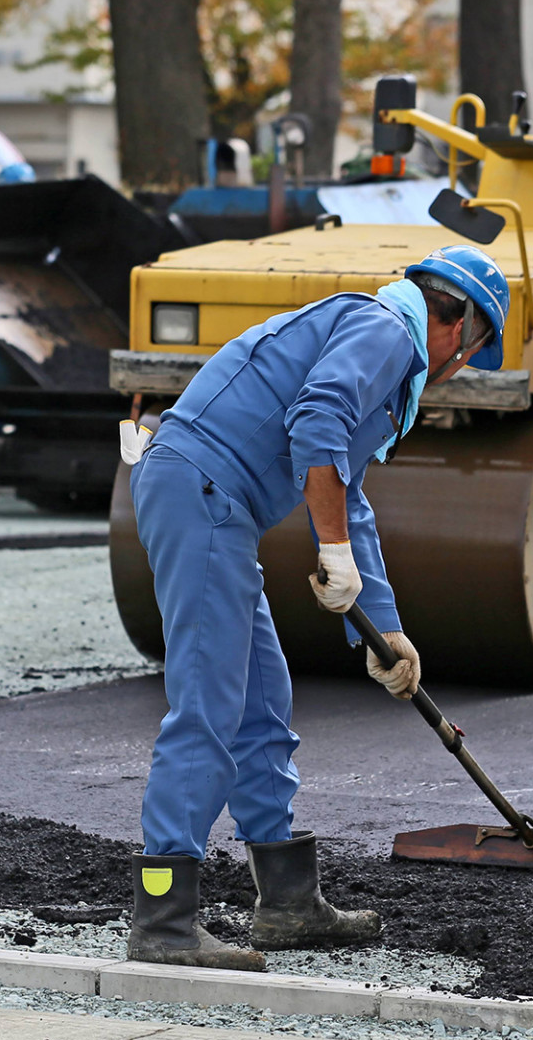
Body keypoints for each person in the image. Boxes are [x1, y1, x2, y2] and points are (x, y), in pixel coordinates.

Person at [124, 246, 510, 970]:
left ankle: (287, 902)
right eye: (474, 353)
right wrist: (330, 550)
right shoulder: (388, 331)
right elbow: (317, 425)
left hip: (214, 502)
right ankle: (162, 917)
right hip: (199, 490)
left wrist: (384, 628)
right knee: (209, 702)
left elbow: (348, 493)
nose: (460, 370)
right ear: (463, 332)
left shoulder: (378, 342)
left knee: (263, 703)